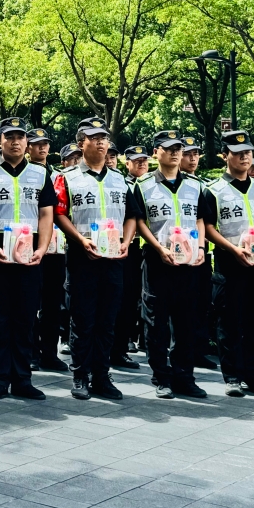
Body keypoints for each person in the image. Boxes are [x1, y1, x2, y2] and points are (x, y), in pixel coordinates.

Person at [55, 118, 141, 400]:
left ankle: (102, 376)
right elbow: (59, 214)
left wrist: (126, 242)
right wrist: (80, 240)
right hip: (83, 258)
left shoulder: (119, 179)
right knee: (83, 320)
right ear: (81, 144)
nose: (101, 143)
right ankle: (80, 375)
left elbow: (132, 216)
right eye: (94, 138)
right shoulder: (67, 178)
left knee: (107, 320)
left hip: (114, 258)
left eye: (104, 138)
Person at [0, 117, 55, 401]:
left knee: (26, 318)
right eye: (10, 137)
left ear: (27, 142)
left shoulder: (40, 174)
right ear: (0, 141)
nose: (15, 142)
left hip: (30, 255)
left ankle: (22, 379)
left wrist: (42, 248)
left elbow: (46, 213)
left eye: (20, 137)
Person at [203, 130, 254, 397]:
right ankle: (233, 377)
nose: (244, 158)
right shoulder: (213, 190)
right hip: (230, 264)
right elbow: (208, 228)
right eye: (237, 153)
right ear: (224, 156)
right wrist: (233, 249)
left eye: (247, 152)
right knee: (230, 322)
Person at [135, 131, 208, 399]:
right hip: (158, 261)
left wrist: (201, 247)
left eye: (179, 149)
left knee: (186, 322)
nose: (176, 153)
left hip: (188, 262)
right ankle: (161, 377)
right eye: (169, 149)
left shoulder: (195, 185)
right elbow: (139, 221)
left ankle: (184, 377)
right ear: (156, 152)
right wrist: (159, 247)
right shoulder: (143, 185)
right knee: (157, 323)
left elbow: (200, 219)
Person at [177, 135, 218, 370]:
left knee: (201, 303)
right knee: (179, 308)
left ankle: (198, 350)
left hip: (200, 253)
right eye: (188, 154)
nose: (192, 159)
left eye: (196, 154)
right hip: (175, 255)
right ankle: (181, 351)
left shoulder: (201, 185)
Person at [29, 128, 67, 372]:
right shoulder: (26, 175)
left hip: (56, 248)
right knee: (30, 301)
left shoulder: (59, 176)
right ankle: (32, 352)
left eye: (45, 143)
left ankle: (50, 353)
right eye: (36, 144)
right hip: (30, 246)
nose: (42, 148)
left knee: (53, 304)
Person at [111, 144, 150, 369]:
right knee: (117, 298)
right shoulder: (120, 183)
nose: (142, 164)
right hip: (116, 246)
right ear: (127, 164)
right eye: (137, 161)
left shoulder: (151, 186)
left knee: (131, 298)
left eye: (144, 160)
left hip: (137, 249)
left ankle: (122, 346)